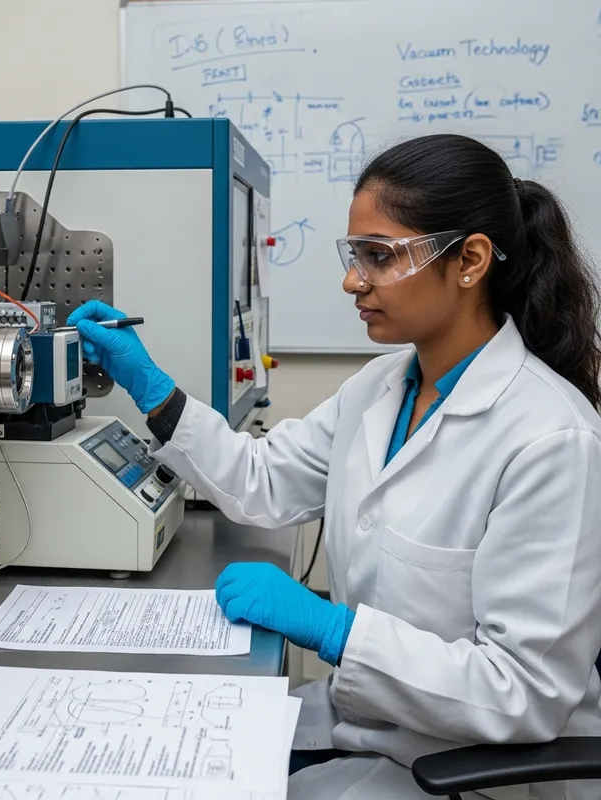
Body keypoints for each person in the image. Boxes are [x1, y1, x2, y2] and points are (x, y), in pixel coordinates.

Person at [67, 133, 601, 800]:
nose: (353, 281)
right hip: (371, 731)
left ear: (469, 261)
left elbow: (523, 694)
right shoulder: (380, 388)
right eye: (354, 256)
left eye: (378, 257)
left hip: (469, 776)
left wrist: (335, 630)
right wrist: (151, 387)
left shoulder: (551, 439)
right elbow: (261, 481)